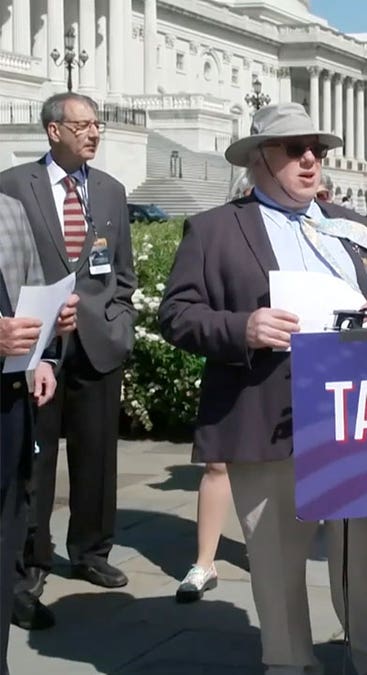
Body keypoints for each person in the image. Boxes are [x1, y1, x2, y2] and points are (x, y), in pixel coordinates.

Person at [157, 102, 367, 675]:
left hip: (356, 417)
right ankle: (290, 664)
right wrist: (242, 328)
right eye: (295, 149)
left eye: (317, 151)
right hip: (266, 414)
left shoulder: (352, 228)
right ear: (258, 158)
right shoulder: (217, 228)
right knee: (274, 560)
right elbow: (176, 314)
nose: (310, 161)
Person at [0, 92, 137, 597]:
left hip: (98, 339)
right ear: (53, 130)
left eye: (97, 125)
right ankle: (32, 556)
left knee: (97, 453)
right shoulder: (13, 186)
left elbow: (123, 272)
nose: (94, 134)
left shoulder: (109, 190)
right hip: (37, 344)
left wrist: (119, 319)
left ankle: (91, 551)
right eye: (83, 126)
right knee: (34, 456)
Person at [0, 192, 78, 669]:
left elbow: (28, 288)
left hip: (9, 401)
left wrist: (47, 340)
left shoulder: (8, 208)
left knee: (7, 529)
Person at [174, 174, 258, 604]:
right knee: (217, 467)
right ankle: (205, 560)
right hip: (231, 363)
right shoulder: (215, 231)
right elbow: (181, 312)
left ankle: (265, 551)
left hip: (285, 378)